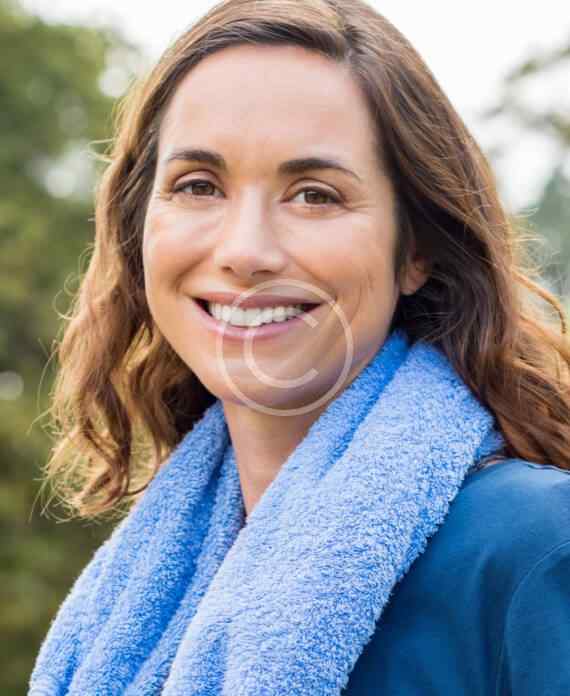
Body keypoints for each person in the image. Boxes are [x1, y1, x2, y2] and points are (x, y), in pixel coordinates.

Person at [29, 0, 570, 694]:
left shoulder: (536, 549)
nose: (245, 250)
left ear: (416, 250)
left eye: (314, 195)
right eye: (198, 186)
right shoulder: (141, 601)